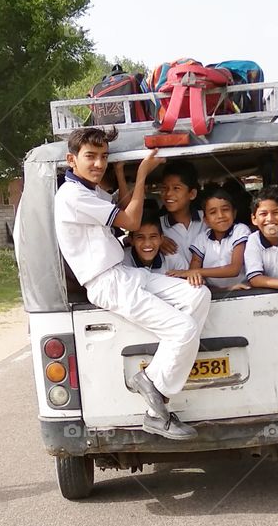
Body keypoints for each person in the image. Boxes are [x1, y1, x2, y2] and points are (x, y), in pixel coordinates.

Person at [54, 126, 211, 440]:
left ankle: (154, 385)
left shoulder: (89, 191)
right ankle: (156, 404)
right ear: (72, 160)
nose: (98, 164)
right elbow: (131, 222)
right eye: (90, 157)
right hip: (107, 281)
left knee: (199, 295)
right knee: (182, 329)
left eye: (103, 157)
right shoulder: (72, 196)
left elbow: (123, 207)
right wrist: (141, 175)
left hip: (123, 274)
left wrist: (124, 175)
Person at [168, 183, 250, 289]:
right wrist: (194, 274)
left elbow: (234, 269)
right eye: (213, 212)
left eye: (225, 210)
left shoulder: (240, 230)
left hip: (242, 290)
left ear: (234, 213)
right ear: (206, 220)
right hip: (214, 292)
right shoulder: (201, 239)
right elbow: (194, 273)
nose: (220, 216)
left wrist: (195, 272)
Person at [158, 159, 204, 269]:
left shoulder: (207, 219)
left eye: (176, 188)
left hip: (213, 284)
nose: (168, 193)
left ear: (192, 194)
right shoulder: (157, 226)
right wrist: (156, 241)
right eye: (165, 188)